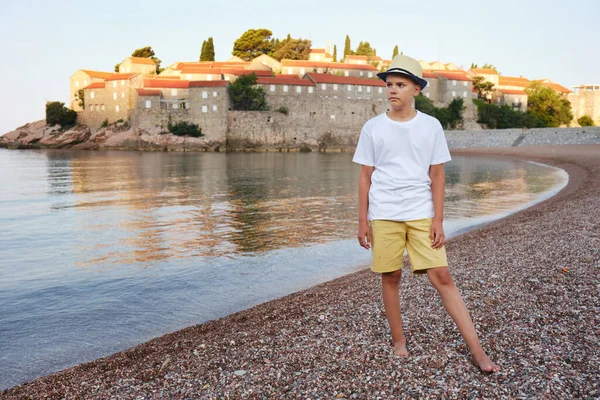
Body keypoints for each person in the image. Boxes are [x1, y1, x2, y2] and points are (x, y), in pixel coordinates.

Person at [352, 54, 500, 373]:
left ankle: (477, 351)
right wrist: (362, 221)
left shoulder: (431, 126)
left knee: (442, 276)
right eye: (389, 84)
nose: (393, 90)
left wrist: (438, 220)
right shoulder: (372, 128)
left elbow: (438, 175)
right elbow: (365, 176)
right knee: (391, 276)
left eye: (401, 85)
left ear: (416, 89)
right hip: (384, 214)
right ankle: (398, 340)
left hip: (420, 213)